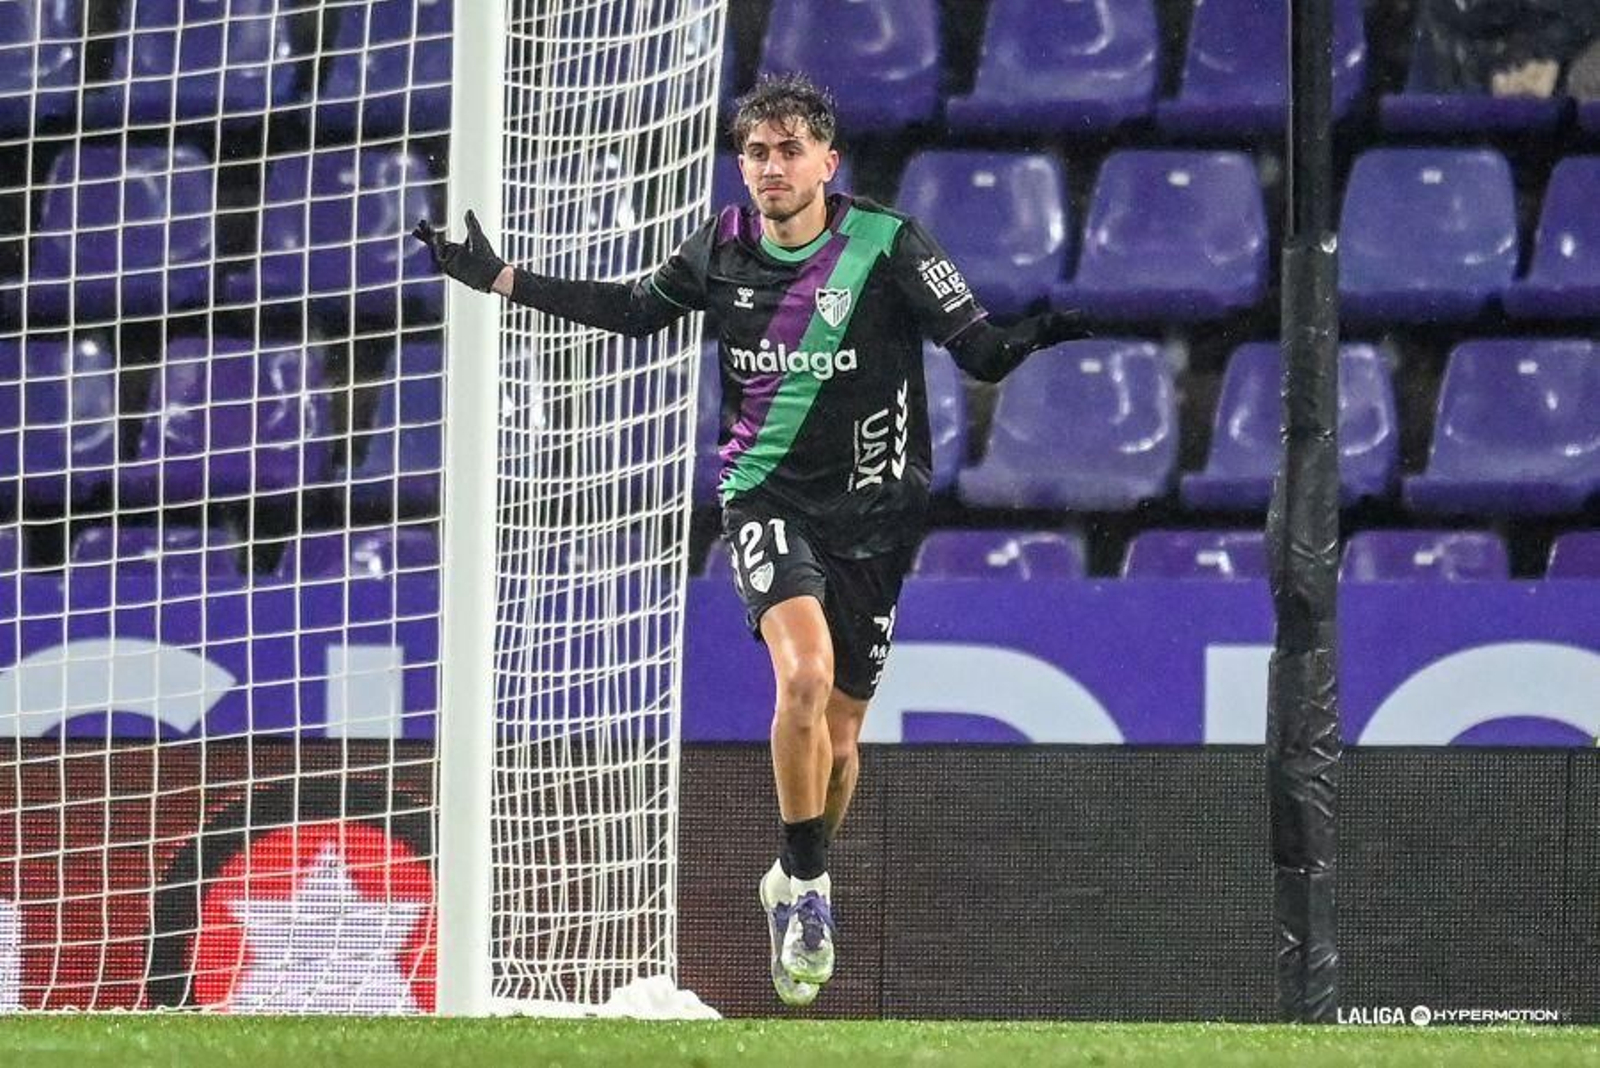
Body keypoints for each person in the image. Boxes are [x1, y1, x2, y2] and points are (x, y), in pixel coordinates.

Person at [415, 72, 1089, 1007]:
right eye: (756, 153)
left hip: (877, 518)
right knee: (803, 678)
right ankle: (809, 894)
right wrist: (501, 278)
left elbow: (978, 351)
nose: (772, 168)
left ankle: (794, 871)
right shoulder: (721, 249)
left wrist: (1049, 330)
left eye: (789, 151)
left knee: (841, 743)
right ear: (742, 166)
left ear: (827, 161)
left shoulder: (885, 244)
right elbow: (633, 310)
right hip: (764, 498)